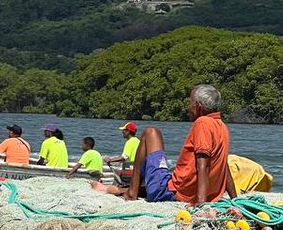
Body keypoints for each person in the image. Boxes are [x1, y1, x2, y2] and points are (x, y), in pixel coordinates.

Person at [94, 84, 236, 204]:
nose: (188, 108)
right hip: (181, 188)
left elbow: (202, 165)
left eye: (190, 103)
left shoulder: (202, 123)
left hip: (174, 193)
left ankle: (131, 192)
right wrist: (235, 199)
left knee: (151, 133)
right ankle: (120, 190)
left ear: (198, 107)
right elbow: (225, 167)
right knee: (160, 179)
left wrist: (201, 204)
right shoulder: (221, 126)